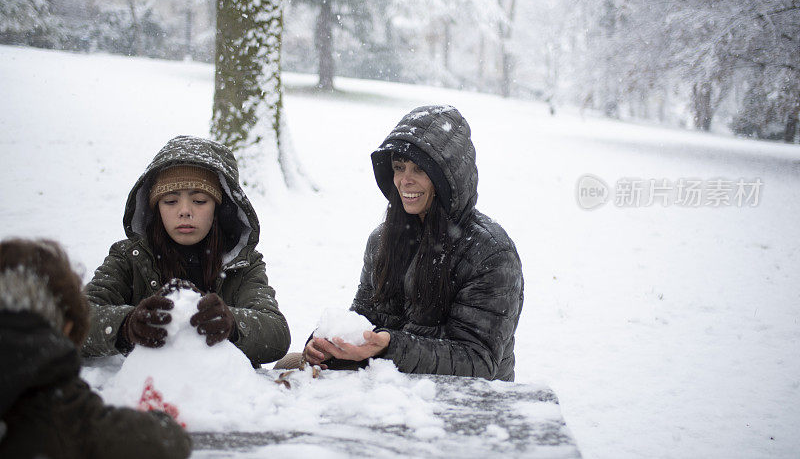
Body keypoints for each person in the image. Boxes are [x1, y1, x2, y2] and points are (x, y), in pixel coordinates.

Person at [302, 105, 524, 381]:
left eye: (419, 169)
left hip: (467, 401)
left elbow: (477, 361)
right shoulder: (382, 240)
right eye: (399, 167)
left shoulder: (490, 253)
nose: (405, 180)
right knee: (291, 367)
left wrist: (391, 346)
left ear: (445, 179)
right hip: (389, 384)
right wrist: (326, 343)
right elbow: (363, 315)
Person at [82, 135, 290, 367]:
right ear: (155, 208)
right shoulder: (128, 257)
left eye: (200, 200)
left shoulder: (242, 263)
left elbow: (277, 335)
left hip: (224, 394)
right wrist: (126, 325)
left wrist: (231, 324)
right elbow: (74, 321)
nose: (184, 211)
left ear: (220, 209)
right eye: (170, 201)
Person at [0, 238, 191, 459]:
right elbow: (162, 442)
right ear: (68, 327)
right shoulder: (57, 409)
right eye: (169, 201)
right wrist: (125, 324)